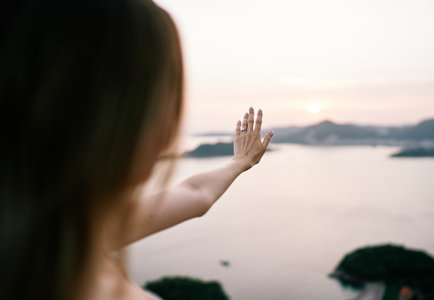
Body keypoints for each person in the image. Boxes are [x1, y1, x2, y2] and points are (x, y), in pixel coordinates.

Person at [0, 1, 274, 300]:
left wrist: (239, 162)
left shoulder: (55, 226)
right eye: (160, 99)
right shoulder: (84, 238)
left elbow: (197, 195)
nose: (168, 129)